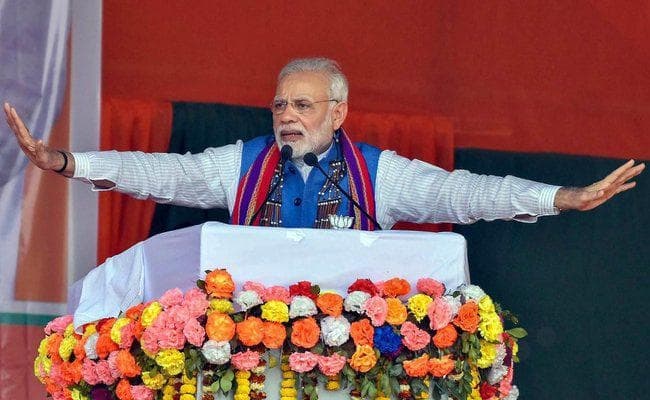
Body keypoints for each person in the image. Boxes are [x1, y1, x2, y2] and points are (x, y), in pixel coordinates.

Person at [3, 58, 645, 230]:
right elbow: (162, 173)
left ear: (338, 113)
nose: (286, 115)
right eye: (280, 105)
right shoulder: (242, 164)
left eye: (302, 105)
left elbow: (464, 193)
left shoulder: (377, 175)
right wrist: (65, 161)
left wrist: (561, 196)